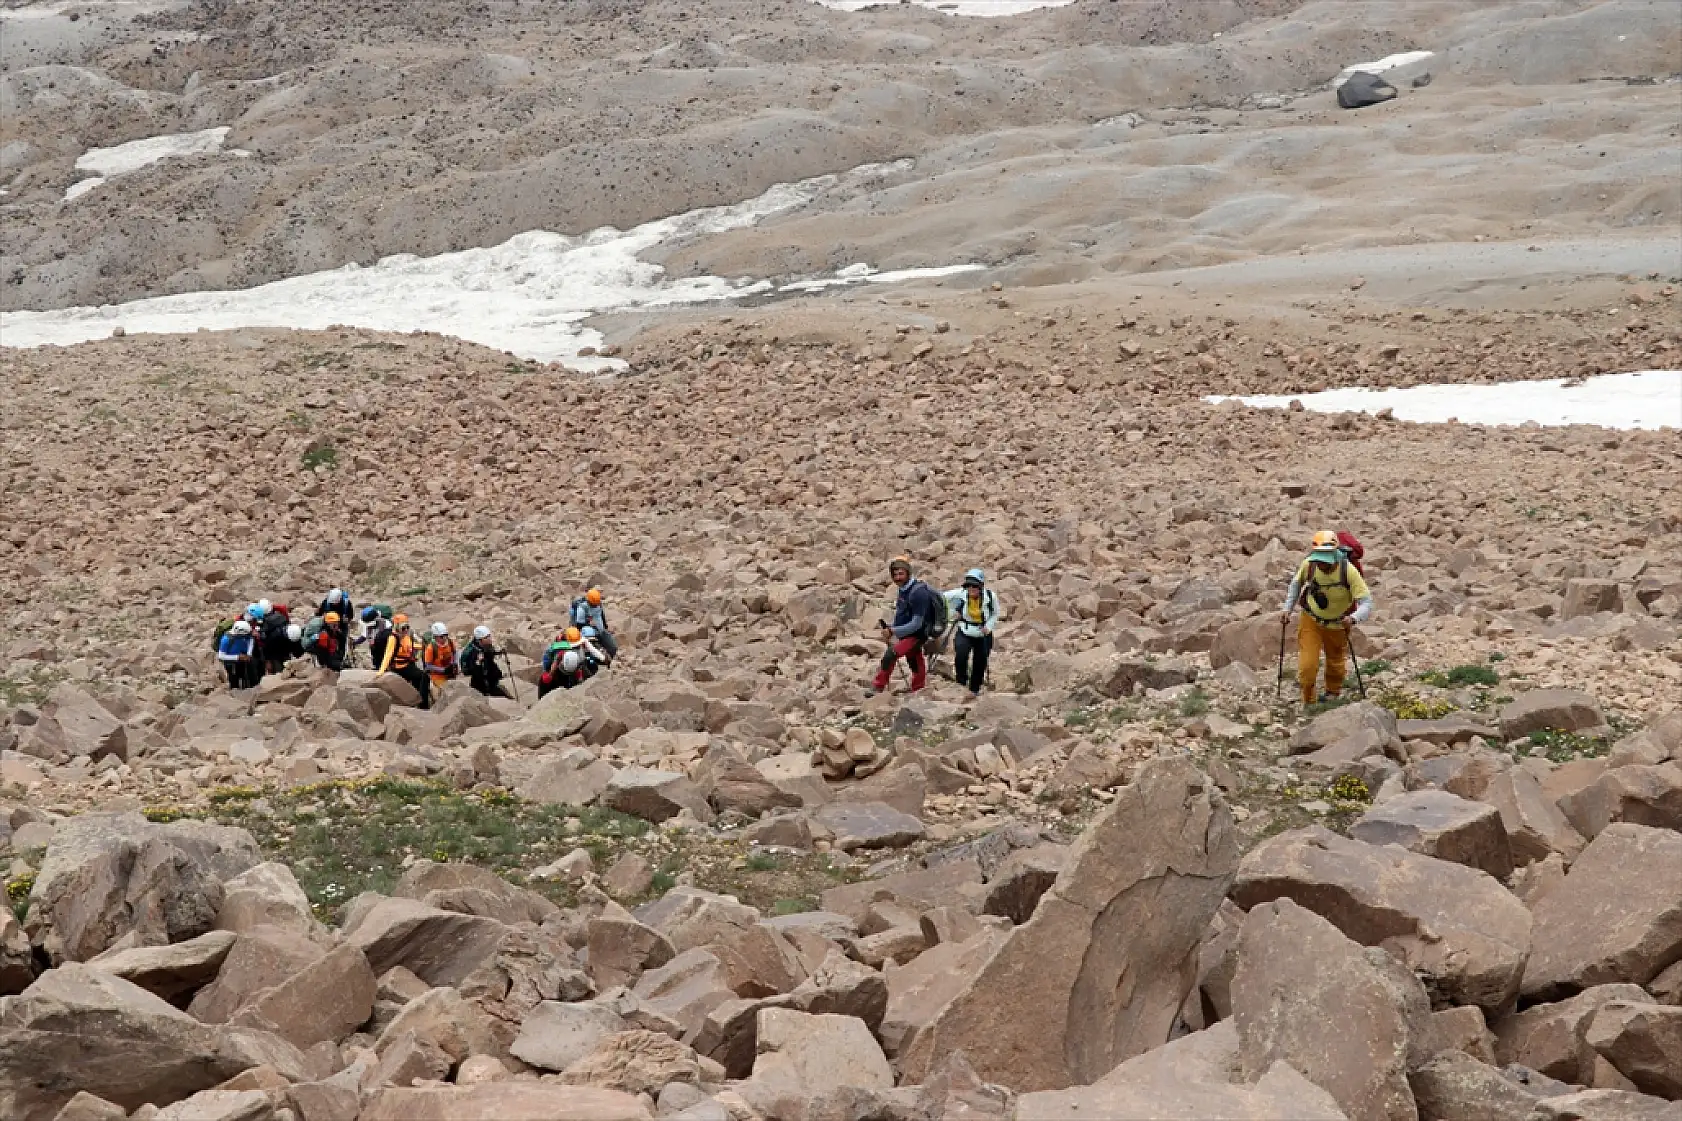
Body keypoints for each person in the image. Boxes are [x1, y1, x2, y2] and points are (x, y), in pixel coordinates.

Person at [1282, 529, 1374, 705]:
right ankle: (1309, 701)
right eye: (1319, 560)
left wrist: (1353, 618)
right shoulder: (1309, 565)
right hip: (1311, 618)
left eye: (1325, 561)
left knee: (1336, 661)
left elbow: (1367, 603)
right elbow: (1296, 585)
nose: (1321, 565)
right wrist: (1287, 609)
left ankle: (1333, 693)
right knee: (1307, 665)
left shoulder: (1348, 571)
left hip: (1338, 623)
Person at [871, 557, 941, 694]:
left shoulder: (918, 593)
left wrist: (893, 630)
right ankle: (919, 689)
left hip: (918, 633)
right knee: (914, 659)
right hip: (908, 633)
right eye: (895, 575)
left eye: (901, 574)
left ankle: (878, 686)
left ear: (908, 573)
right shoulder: (904, 589)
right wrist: (893, 627)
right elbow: (902, 614)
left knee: (891, 655)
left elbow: (916, 623)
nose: (898, 578)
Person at [943, 568, 1001, 698]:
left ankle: (974, 688)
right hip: (965, 630)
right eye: (968, 585)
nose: (971, 588)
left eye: (974, 585)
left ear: (981, 586)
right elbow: (942, 598)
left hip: (983, 633)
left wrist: (988, 626)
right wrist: (952, 613)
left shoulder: (990, 597)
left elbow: (995, 613)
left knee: (980, 661)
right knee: (961, 656)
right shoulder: (961, 594)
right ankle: (961, 684)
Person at [378, 614, 432, 709]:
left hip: (408, 664)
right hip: (399, 667)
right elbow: (388, 654)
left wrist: (423, 647)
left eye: (407, 627)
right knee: (422, 676)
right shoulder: (393, 638)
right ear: (397, 627)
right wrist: (381, 671)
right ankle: (422, 704)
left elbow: (410, 646)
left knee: (421, 677)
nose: (406, 630)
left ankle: (419, 700)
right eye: (403, 628)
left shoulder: (407, 636)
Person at [459, 626, 511, 699]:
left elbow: (490, 658)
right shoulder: (471, 652)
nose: (489, 639)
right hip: (478, 681)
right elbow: (468, 671)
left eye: (489, 636)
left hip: (490, 675)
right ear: (480, 640)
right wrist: (478, 662)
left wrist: (499, 652)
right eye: (486, 637)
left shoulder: (486, 646)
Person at [570, 587, 618, 660]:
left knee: (613, 647)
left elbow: (601, 615)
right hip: (587, 632)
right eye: (594, 604)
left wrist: (605, 627)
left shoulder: (598, 604)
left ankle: (608, 660)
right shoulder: (582, 607)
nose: (595, 605)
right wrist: (589, 624)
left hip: (600, 630)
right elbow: (579, 624)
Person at [538, 627, 583, 698]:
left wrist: (550, 670)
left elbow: (546, 660)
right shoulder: (574, 651)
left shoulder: (555, 648)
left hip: (555, 673)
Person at [217, 620, 258, 689]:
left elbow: (251, 640)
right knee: (234, 679)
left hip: (245, 658)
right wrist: (238, 657)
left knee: (249, 676)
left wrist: (249, 654)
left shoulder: (246, 634)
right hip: (232, 663)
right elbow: (221, 656)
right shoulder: (226, 640)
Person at [423, 622, 459, 694]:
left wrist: (454, 663)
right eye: (442, 636)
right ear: (435, 637)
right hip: (438, 676)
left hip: (450, 673)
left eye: (446, 635)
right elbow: (428, 665)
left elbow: (454, 652)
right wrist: (443, 670)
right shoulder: (431, 648)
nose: (445, 638)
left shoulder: (450, 642)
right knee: (445, 692)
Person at [361, 605, 394, 670]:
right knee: (373, 649)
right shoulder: (368, 624)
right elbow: (364, 636)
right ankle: (377, 665)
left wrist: (376, 640)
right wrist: (355, 642)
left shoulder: (386, 624)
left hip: (384, 644)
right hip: (375, 646)